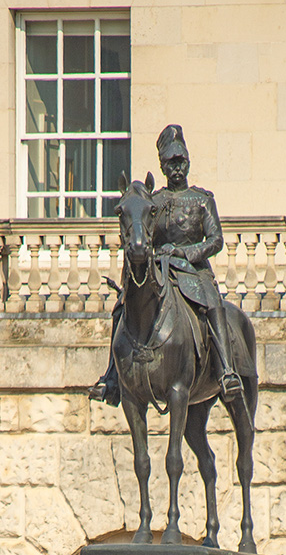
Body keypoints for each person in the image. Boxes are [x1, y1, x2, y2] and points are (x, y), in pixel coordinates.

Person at [89, 124, 244, 407]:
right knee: (122, 306)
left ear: (187, 162)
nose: (176, 168)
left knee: (213, 303)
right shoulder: (154, 201)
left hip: (193, 272)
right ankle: (112, 377)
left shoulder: (201, 199)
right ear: (162, 166)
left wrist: (186, 253)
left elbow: (216, 240)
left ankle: (226, 371)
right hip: (159, 270)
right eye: (170, 163)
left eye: (180, 162)